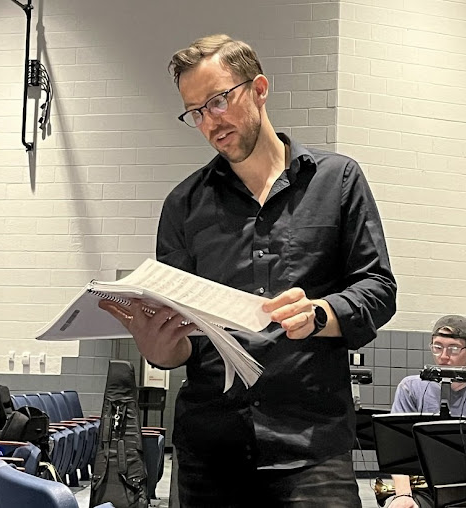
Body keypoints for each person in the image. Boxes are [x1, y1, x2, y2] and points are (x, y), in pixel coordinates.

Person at [100, 34, 396, 507]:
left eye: (218, 101)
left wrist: (321, 312)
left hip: (312, 447)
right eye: (195, 112)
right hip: (210, 454)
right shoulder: (183, 204)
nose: (209, 122)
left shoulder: (338, 180)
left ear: (259, 88)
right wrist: (161, 350)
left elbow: (378, 288)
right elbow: (176, 346)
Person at [389, 315, 466, 508]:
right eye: (437, 347)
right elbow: (398, 447)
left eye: (454, 348)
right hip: (424, 489)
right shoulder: (411, 387)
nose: (444, 356)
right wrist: (403, 495)